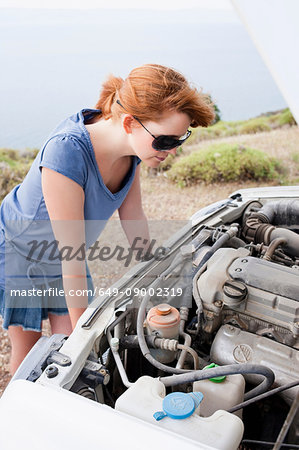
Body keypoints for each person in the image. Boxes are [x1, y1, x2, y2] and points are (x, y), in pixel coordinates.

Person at [0, 63, 215, 375]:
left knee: (72, 338)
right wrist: (79, 350)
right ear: (129, 122)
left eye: (180, 140)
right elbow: (70, 258)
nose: (172, 151)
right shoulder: (67, 151)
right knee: (31, 352)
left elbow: (135, 220)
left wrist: (158, 284)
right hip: (21, 252)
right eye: (166, 141)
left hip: (65, 255)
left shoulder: (133, 149)